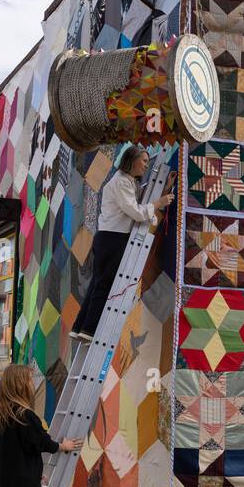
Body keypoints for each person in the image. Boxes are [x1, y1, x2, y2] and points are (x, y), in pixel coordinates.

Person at [68, 145, 173, 342]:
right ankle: (90, 330)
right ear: (131, 160)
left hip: (107, 238)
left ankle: (80, 327)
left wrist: (161, 192)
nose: (146, 165)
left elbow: (137, 206)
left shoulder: (126, 183)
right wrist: (159, 203)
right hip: (113, 239)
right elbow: (136, 212)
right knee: (105, 285)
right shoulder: (122, 182)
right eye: (143, 160)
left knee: (97, 284)